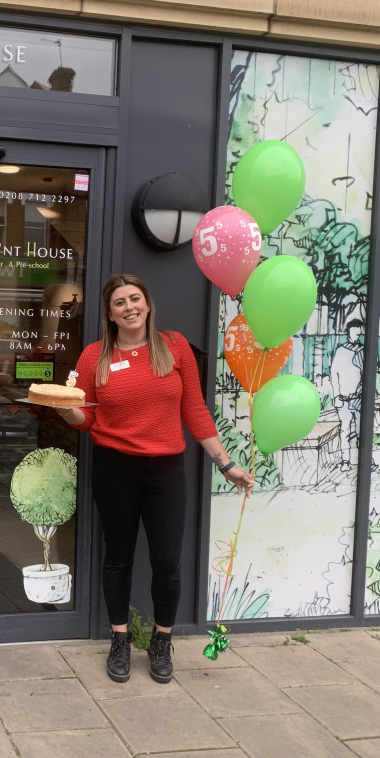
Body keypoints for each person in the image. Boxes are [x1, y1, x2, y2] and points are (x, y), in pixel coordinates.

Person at [55, 274, 253, 685]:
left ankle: (162, 641)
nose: (129, 307)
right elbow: (86, 418)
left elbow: (195, 412)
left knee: (167, 561)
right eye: (119, 303)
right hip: (115, 468)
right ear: (109, 314)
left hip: (165, 470)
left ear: (147, 304)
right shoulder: (95, 356)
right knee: (119, 557)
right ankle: (120, 640)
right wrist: (63, 409)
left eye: (135, 299)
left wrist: (225, 463)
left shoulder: (174, 346)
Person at [329, 319, 364, 470]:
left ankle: (362, 461)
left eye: (359, 331)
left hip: (359, 398)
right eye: (355, 331)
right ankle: (345, 461)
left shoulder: (363, 350)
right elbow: (334, 374)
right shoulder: (341, 351)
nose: (357, 334)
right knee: (345, 431)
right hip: (343, 398)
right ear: (348, 331)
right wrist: (336, 396)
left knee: (360, 431)